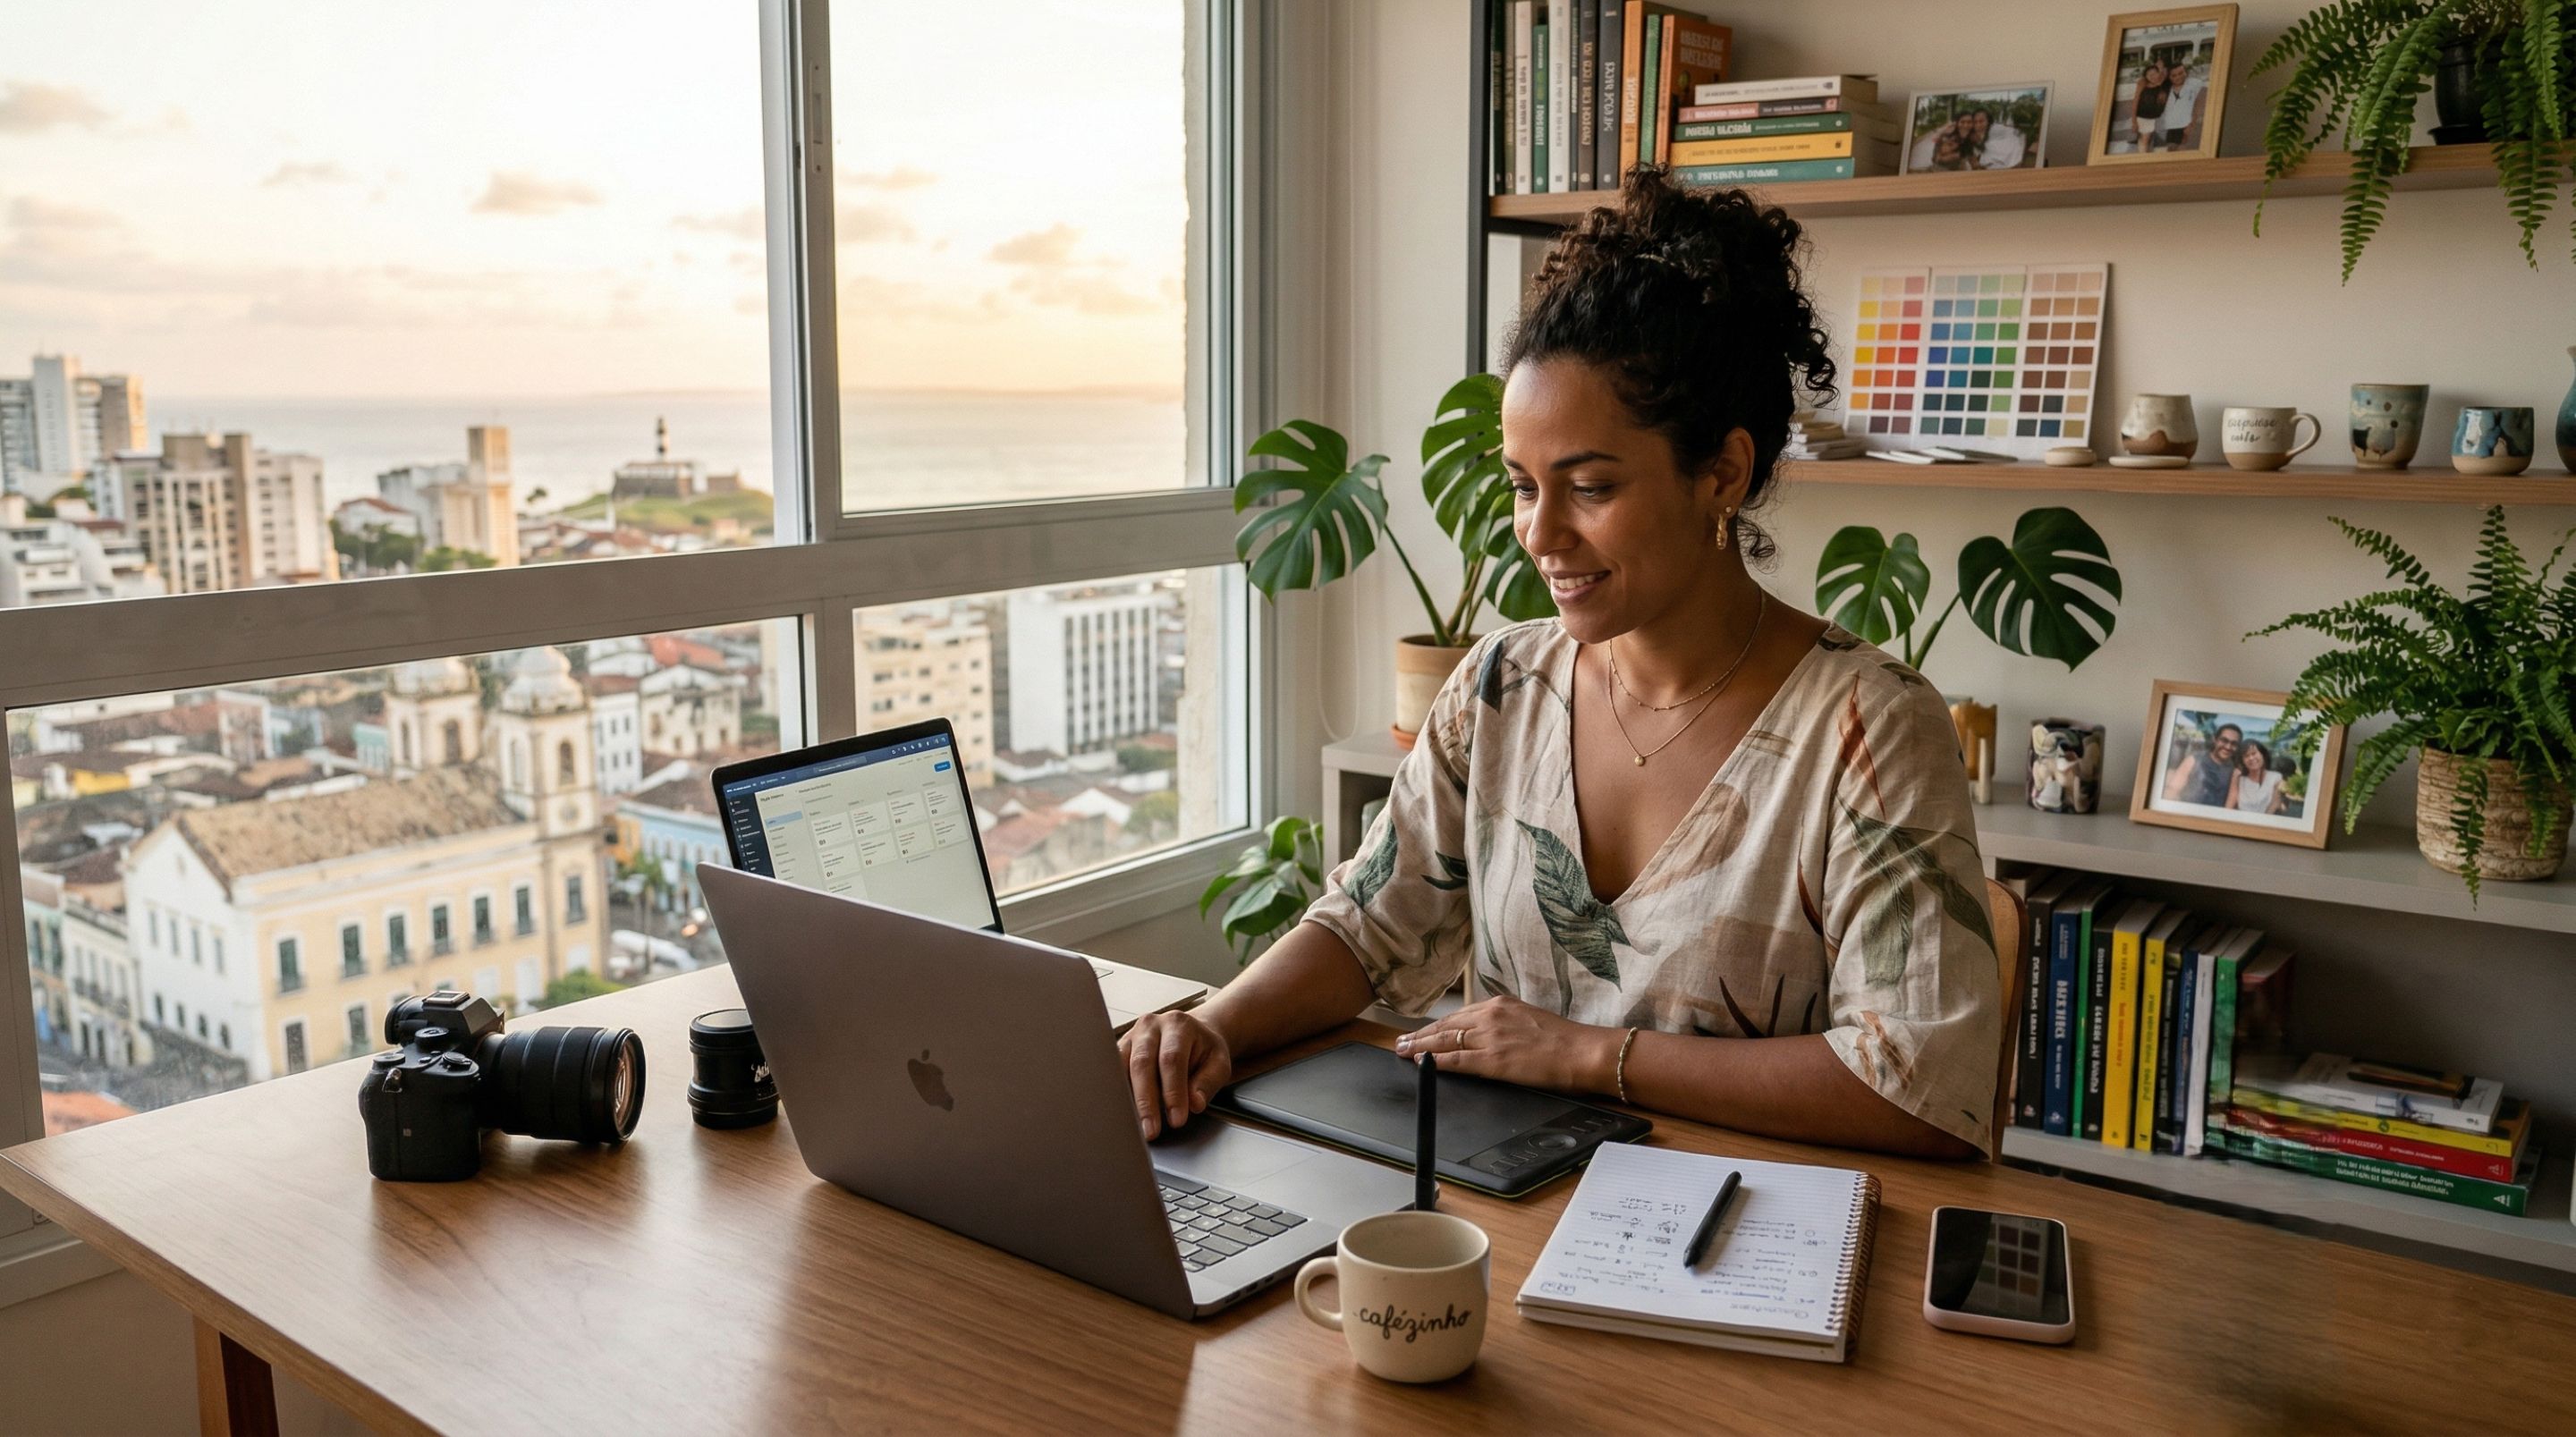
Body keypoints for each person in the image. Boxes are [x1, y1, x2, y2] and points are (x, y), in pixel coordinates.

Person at [1120, 169, 2002, 1162]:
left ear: (1722, 472)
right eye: (1521, 486)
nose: (1541, 534)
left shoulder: (1869, 729)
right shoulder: (1503, 686)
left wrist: (1591, 1055)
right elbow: (1370, 921)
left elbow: (1919, 1083)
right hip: (1505, 1223)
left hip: (1752, 1244)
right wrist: (1216, 1025)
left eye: (1589, 486)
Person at [2163, 723, 2240, 806]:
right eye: (2224, 740)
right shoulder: (2193, 760)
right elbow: (2173, 789)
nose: (2228, 747)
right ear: (2215, 739)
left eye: (2234, 744)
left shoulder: (2234, 771)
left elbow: (2230, 803)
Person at [2227, 740, 2287, 816]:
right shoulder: (2239, 778)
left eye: (2254, 753)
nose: (2251, 758)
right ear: (2242, 761)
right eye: (2246, 756)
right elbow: (2229, 806)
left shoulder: (2276, 777)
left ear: (2262, 755)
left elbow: (2275, 804)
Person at [1963, 105, 2029, 170]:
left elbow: (2021, 135)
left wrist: (2018, 159)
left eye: (1981, 121)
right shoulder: (1973, 133)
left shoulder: (1996, 129)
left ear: (1988, 121)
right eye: (1975, 122)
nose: (1978, 125)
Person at [2161, 58, 2205, 151]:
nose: (2178, 77)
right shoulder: (2168, 89)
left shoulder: (2195, 84)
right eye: (2174, 75)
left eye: (2181, 73)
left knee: (2184, 152)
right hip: (2173, 127)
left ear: (2186, 72)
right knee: (2171, 151)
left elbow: (2199, 105)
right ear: (2170, 77)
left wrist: (2191, 124)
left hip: (2189, 125)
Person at [2130, 59, 2170, 152]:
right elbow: (2135, 101)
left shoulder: (2166, 82)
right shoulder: (2143, 83)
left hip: (2156, 118)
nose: (2152, 76)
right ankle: (2143, 159)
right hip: (2144, 117)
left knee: (2149, 140)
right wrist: (2134, 122)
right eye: (2149, 74)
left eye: (2161, 67)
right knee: (2145, 140)